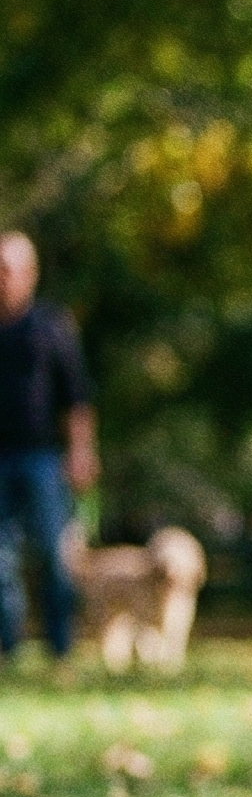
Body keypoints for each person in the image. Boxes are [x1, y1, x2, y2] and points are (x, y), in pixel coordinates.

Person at [0, 231, 97, 663]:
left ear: (30, 273)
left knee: (56, 555)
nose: (2, 278)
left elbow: (77, 398)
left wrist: (81, 452)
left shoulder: (52, 326)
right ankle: (8, 648)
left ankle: (60, 647)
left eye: (7, 269)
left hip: (44, 458)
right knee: (0, 560)